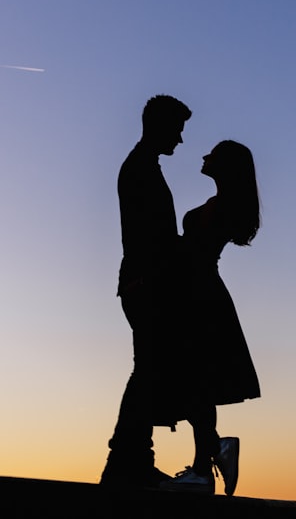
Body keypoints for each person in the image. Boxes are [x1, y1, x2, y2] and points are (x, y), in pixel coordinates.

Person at [100, 94, 193, 488]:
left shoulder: (141, 166)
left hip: (143, 280)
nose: (181, 140)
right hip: (146, 281)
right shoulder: (140, 169)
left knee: (148, 369)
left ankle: (130, 457)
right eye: (178, 130)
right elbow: (146, 236)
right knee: (147, 369)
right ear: (160, 126)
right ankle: (128, 459)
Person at [160, 140, 261, 496]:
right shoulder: (223, 206)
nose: (204, 157)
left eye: (212, 154)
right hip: (200, 295)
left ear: (226, 166)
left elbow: (194, 251)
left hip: (199, 297)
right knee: (195, 383)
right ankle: (210, 456)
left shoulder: (223, 208)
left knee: (194, 382)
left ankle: (206, 464)